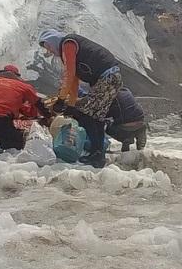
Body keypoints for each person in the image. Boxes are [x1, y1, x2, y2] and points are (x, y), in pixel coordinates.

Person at [38, 29, 122, 168]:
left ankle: (97, 154)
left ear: (52, 41)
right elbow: (75, 81)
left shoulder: (68, 44)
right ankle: (97, 154)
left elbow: (69, 74)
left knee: (87, 115)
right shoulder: (68, 48)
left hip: (107, 77)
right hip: (111, 77)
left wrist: (61, 99)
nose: (49, 51)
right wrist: (70, 104)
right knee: (96, 116)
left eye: (48, 47)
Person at [0, 65, 45, 153]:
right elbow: (38, 103)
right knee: (16, 146)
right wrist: (48, 116)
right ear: (17, 75)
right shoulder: (23, 86)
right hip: (2, 122)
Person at [106, 87, 147, 152]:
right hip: (141, 122)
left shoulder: (111, 99)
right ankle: (141, 149)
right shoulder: (126, 91)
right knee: (141, 149)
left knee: (108, 128)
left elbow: (105, 114)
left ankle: (125, 139)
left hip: (125, 126)